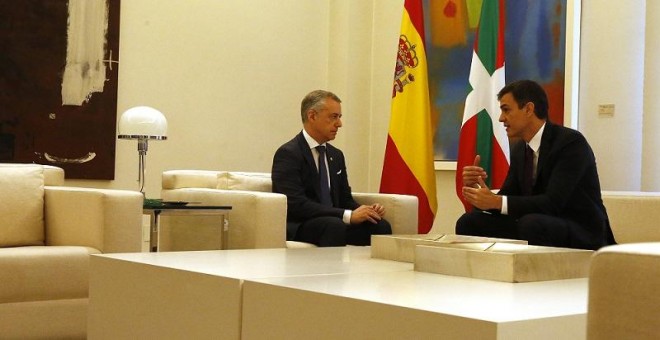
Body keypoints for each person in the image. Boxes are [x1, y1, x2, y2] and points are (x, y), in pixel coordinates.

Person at [456, 80, 616, 250]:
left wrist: (496, 201)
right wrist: (479, 195)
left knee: (531, 224)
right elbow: (508, 197)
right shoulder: (520, 150)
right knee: (469, 222)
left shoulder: (570, 143)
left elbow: (553, 203)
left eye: (506, 110)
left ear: (528, 109)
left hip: (581, 230)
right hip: (537, 224)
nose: (501, 118)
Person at [272, 90, 392, 246]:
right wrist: (347, 215)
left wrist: (365, 210)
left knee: (380, 225)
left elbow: (344, 199)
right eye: (333, 117)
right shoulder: (288, 153)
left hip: (334, 222)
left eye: (339, 117)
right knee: (333, 226)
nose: (339, 124)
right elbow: (295, 204)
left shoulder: (336, 155)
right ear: (312, 116)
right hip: (303, 224)